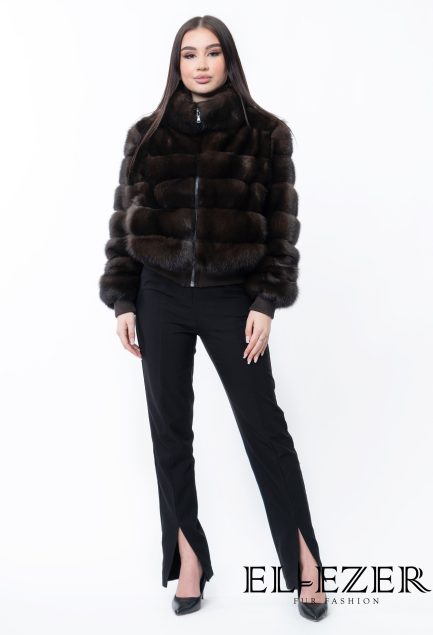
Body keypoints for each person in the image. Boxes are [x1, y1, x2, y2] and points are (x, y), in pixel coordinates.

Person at [99, 15, 328, 622]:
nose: (200, 64)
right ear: (176, 64)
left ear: (229, 60)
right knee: (169, 432)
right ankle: (188, 560)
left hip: (233, 300)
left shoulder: (267, 135)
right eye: (189, 54)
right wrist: (124, 300)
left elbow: (280, 229)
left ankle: (306, 566)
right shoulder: (146, 136)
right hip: (160, 297)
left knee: (265, 428)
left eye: (212, 52)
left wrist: (266, 302)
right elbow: (125, 225)